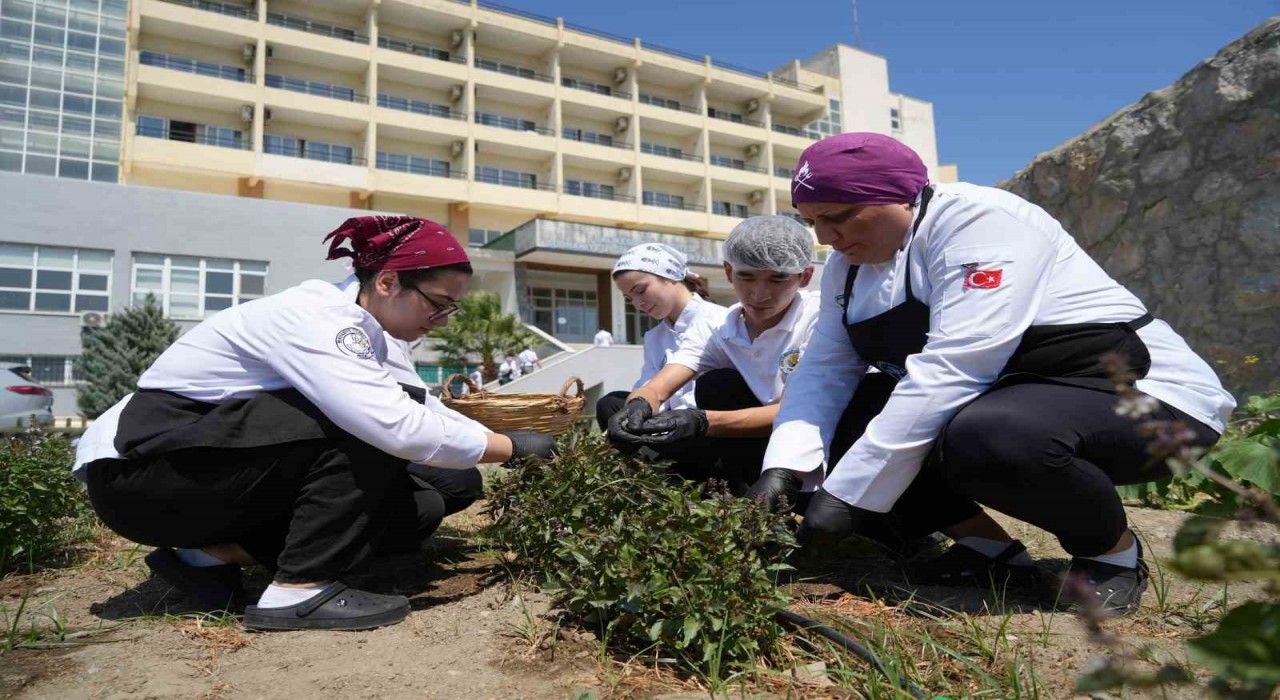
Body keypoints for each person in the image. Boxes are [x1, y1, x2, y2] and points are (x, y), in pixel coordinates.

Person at [748, 133, 1235, 616]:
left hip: (1142, 397)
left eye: (838, 216)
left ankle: (1113, 555)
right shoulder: (847, 266)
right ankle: (990, 553)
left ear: (899, 195)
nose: (825, 237)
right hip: (1020, 398)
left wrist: (844, 497)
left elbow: (956, 363)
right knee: (860, 408)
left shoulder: (980, 221)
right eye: (812, 221)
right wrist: (785, 468)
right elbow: (826, 366)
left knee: (991, 435)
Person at [72, 216, 556, 631]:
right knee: (362, 425)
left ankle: (208, 556)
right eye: (438, 303)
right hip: (142, 477)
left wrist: (501, 443)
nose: (445, 320)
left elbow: (423, 408)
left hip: (208, 471)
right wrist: (513, 449)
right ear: (388, 282)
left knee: (439, 492)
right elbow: (394, 424)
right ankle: (299, 591)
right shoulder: (317, 318)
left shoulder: (375, 332)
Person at [605, 217, 820, 493]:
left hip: (813, 438)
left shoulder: (818, 319)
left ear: (804, 277)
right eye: (746, 276)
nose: (759, 293)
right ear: (729, 272)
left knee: (718, 385)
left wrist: (700, 421)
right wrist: (638, 406)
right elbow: (659, 386)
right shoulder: (724, 328)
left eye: (778, 278)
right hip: (753, 440)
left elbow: (795, 411)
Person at [594, 242, 728, 431]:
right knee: (610, 403)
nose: (638, 304)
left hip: (710, 426)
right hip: (669, 421)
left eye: (640, 291)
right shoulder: (654, 337)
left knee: (716, 382)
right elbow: (647, 387)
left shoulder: (721, 320)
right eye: (629, 299)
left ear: (671, 275)